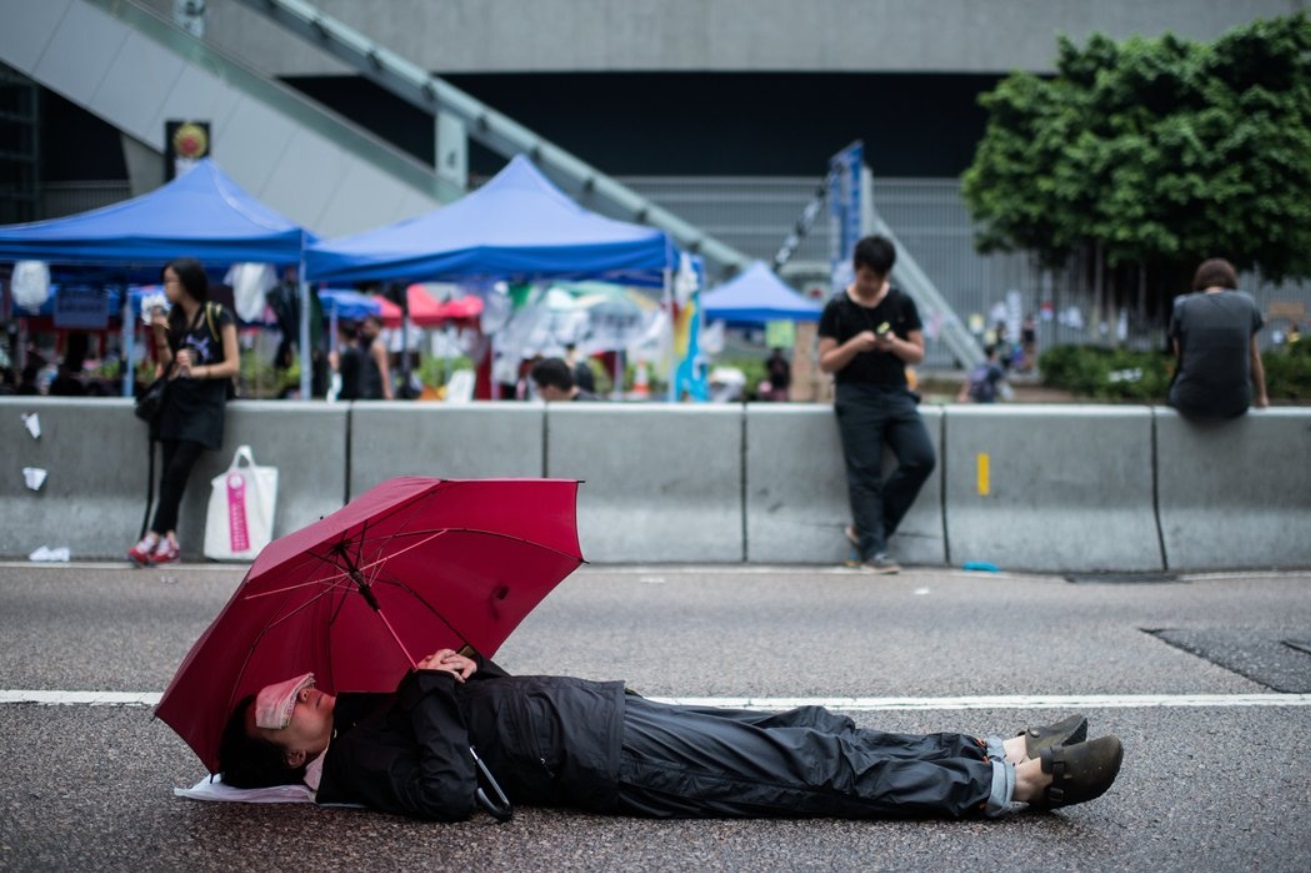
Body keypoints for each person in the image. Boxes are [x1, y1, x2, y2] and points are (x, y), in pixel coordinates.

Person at [218, 651, 1124, 822]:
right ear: (294, 754)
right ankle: (1016, 786)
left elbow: (470, 719)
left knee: (807, 728)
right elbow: (457, 792)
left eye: (291, 683)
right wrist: (429, 690)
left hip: (605, 715)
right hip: (607, 757)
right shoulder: (363, 768)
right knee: (803, 767)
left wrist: (464, 667)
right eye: (283, 705)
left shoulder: (373, 706)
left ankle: (983, 751)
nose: (299, 690)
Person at [818, 235, 936, 575]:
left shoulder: (901, 303)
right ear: (857, 270)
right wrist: (855, 344)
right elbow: (826, 362)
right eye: (868, 277)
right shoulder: (838, 308)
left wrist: (892, 344)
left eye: (880, 279)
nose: (873, 285)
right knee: (864, 474)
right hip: (855, 397)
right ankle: (875, 551)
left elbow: (918, 353)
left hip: (896, 394)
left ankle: (870, 530)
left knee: (921, 458)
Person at [127, 257, 239, 567]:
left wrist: (198, 371)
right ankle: (170, 542)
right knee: (168, 475)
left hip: (205, 405)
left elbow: (233, 364)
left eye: (170, 281)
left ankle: (152, 535)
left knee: (178, 470)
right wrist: (161, 336)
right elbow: (166, 365)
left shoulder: (218, 315)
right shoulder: (175, 319)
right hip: (175, 402)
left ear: (187, 283)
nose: (166, 288)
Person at [1167, 258, 1269, 420]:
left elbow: (1181, 357)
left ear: (1199, 280)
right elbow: (1253, 356)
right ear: (1231, 280)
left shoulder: (1183, 305)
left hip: (1190, 401)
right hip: (1237, 403)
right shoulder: (1247, 303)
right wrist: (1262, 396)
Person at [356, 314, 394, 400]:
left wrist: (387, 391)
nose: (365, 330)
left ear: (377, 327)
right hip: (369, 389)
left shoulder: (378, 346)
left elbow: (383, 370)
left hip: (375, 391)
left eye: (368, 328)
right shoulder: (370, 344)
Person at [531, 357, 601, 401]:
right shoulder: (592, 403)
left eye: (537, 388)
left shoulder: (586, 409)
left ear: (551, 389)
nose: (539, 395)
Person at [328, 320, 362, 401]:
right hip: (359, 391)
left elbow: (340, 371)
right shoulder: (361, 350)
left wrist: (333, 363)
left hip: (349, 393)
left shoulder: (349, 353)